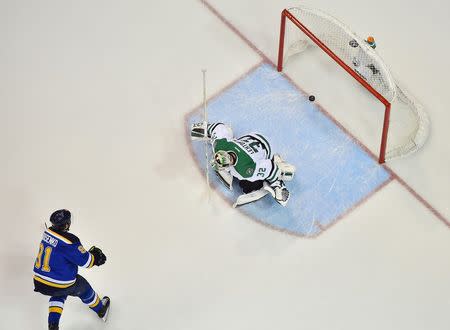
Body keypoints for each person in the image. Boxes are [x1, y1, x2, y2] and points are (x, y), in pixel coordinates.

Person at [33, 209, 110, 330]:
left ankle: (53, 325)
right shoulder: (70, 241)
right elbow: (86, 262)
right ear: (67, 224)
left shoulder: (47, 232)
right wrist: (95, 258)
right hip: (60, 283)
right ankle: (101, 310)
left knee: (58, 293)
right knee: (84, 289)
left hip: (39, 281)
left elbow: (56, 246)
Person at [191, 122, 295, 207]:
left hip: (265, 149)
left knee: (248, 186)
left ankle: (277, 178)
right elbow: (218, 128)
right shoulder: (220, 145)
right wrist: (207, 129)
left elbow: (271, 170)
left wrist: (276, 184)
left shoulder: (246, 170)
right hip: (252, 137)